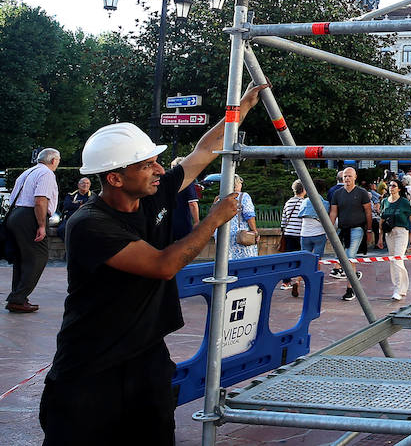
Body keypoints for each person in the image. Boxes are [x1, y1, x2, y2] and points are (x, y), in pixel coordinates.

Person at [38, 83, 263, 444]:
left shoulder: (152, 195)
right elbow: (162, 265)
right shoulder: (90, 224)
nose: (159, 169)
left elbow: (203, 151)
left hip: (146, 356)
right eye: (147, 165)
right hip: (92, 365)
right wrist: (213, 221)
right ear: (115, 178)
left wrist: (242, 108)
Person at [3, 148, 61, 313]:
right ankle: (18, 298)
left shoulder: (27, 172)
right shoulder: (47, 174)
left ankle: (18, 297)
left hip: (16, 214)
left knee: (22, 259)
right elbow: (40, 200)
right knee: (38, 257)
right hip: (30, 216)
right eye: (58, 160)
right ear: (53, 160)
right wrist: (41, 225)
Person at [327, 167, 372, 300]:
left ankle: (350, 288)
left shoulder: (362, 193)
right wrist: (330, 229)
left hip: (357, 228)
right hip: (342, 229)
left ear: (355, 177)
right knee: (342, 257)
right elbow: (333, 212)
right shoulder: (337, 194)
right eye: (345, 176)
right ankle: (354, 276)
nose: (347, 178)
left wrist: (369, 230)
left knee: (349, 256)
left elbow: (368, 212)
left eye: (349, 176)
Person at [380, 179, 411, 301]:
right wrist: (380, 237)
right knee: (393, 260)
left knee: (397, 259)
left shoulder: (403, 202)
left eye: (394, 186)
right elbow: (382, 219)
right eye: (390, 185)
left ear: (399, 189)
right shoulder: (385, 201)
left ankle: (398, 289)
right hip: (389, 234)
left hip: (401, 232)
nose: (391, 187)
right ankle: (400, 287)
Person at [278, 180, 307, 293]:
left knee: (288, 258)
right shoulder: (304, 202)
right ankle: (298, 279)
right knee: (301, 258)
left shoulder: (288, 202)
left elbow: (283, 220)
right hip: (300, 233)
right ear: (303, 190)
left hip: (289, 233)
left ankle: (286, 282)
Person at [223, 175, 259, 260]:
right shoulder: (243, 196)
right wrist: (254, 231)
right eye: (240, 183)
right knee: (244, 261)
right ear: (237, 184)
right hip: (239, 236)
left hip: (222, 235)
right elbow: (249, 215)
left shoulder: (220, 197)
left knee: (225, 261)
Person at [169, 157, 202, 242]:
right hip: (182, 222)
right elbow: (192, 204)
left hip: (165, 222)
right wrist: (197, 221)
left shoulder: (165, 182)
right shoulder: (187, 183)